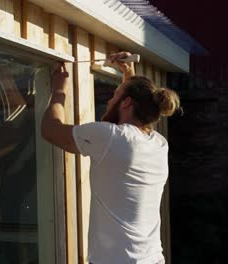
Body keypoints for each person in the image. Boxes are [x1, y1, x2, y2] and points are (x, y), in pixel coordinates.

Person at [41, 51, 181, 264]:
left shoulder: (110, 137)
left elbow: (50, 130)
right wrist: (128, 75)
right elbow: (128, 129)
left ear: (126, 103)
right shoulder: (159, 144)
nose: (108, 101)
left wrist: (59, 90)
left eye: (114, 95)